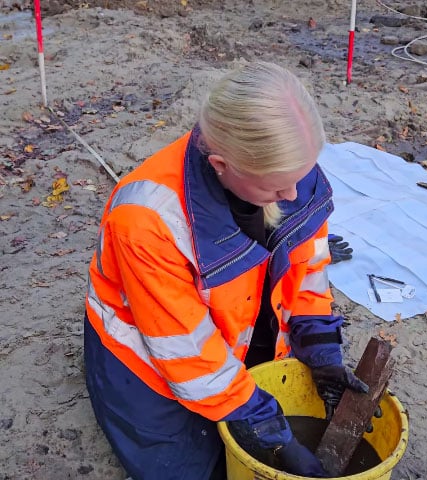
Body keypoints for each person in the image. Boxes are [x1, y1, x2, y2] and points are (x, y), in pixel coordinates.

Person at [83, 61, 367, 480]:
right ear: (220, 165)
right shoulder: (146, 220)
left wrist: (321, 350)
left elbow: (309, 270)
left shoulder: (289, 170)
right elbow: (188, 353)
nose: (292, 194)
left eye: (301, 176)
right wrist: (273, 432)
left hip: (234, 322)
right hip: (150, 349)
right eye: (276, 188)